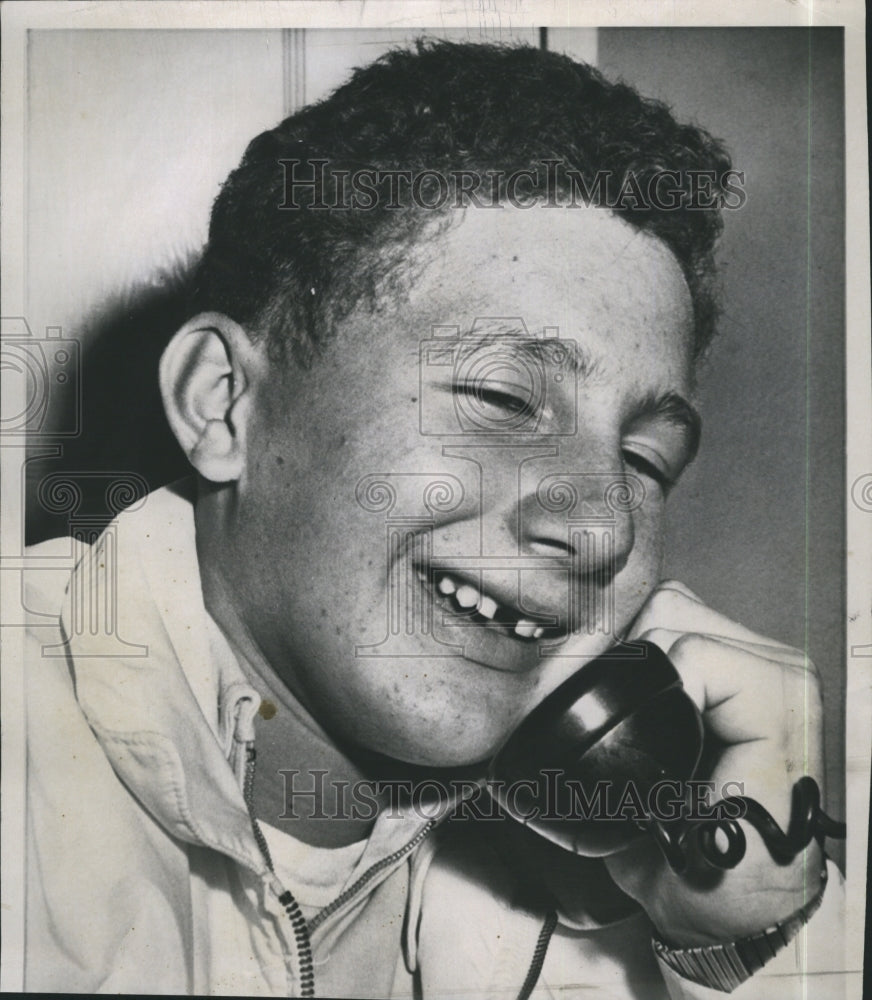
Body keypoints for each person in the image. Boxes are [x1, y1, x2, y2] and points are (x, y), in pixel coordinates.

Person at [23, 39, 844, 997]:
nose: (603, 526)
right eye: (502, 398)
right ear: (222, 405)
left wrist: (735, 945)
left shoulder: (601, 895)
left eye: (642, 459)